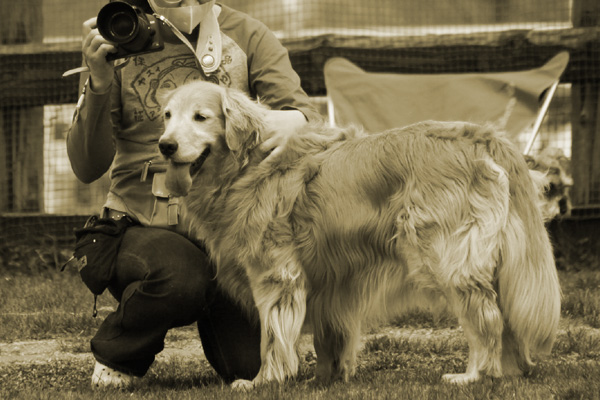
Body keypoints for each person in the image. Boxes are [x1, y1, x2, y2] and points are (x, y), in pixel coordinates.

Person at [67, 0, 321, 389]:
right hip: (143, 225)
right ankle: (118, 354)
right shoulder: (119, 36)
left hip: (231, 230)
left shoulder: (249, 34)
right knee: (181, 276)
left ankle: (222, 312)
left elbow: (301, 115)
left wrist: (275, 121)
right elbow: (86, 167)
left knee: (252, 368)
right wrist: (99, 83)